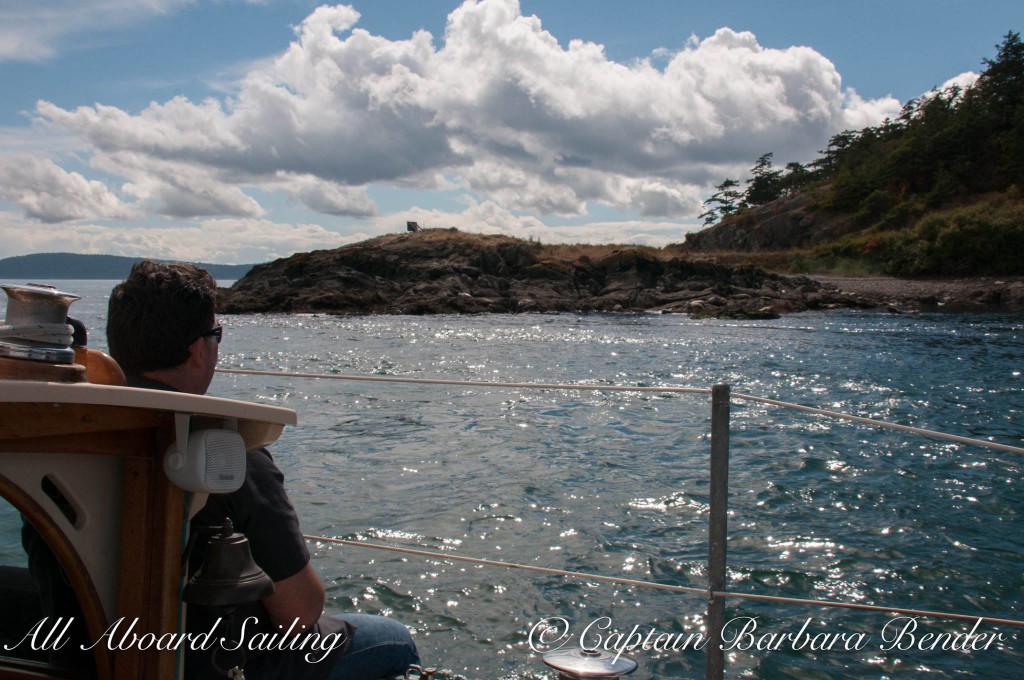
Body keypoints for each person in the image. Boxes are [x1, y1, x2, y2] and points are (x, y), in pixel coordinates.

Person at [106, 260, 419, 680]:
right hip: (220, 665)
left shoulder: (72, 433)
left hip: (87, 651)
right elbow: (300, 614)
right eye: (216, 336)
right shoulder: (230, 453)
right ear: (199, 349)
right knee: (393, 639)